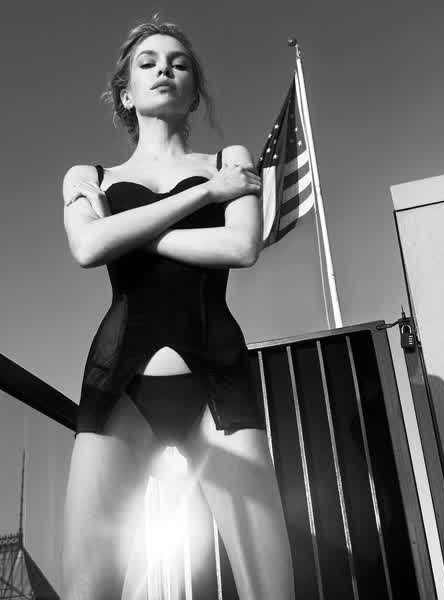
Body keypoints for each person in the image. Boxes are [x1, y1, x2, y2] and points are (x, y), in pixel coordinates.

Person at [62, 15, 295, 600]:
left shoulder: (227, 159)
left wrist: (127, 232)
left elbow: (241, 246)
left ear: (194, 92)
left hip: (219, 375)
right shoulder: (90, 175)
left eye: (179, 62)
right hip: (118, 382)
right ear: (126, 94)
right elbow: (87, 247)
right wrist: (205, 197)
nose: (164, 69)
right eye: (148, 63)